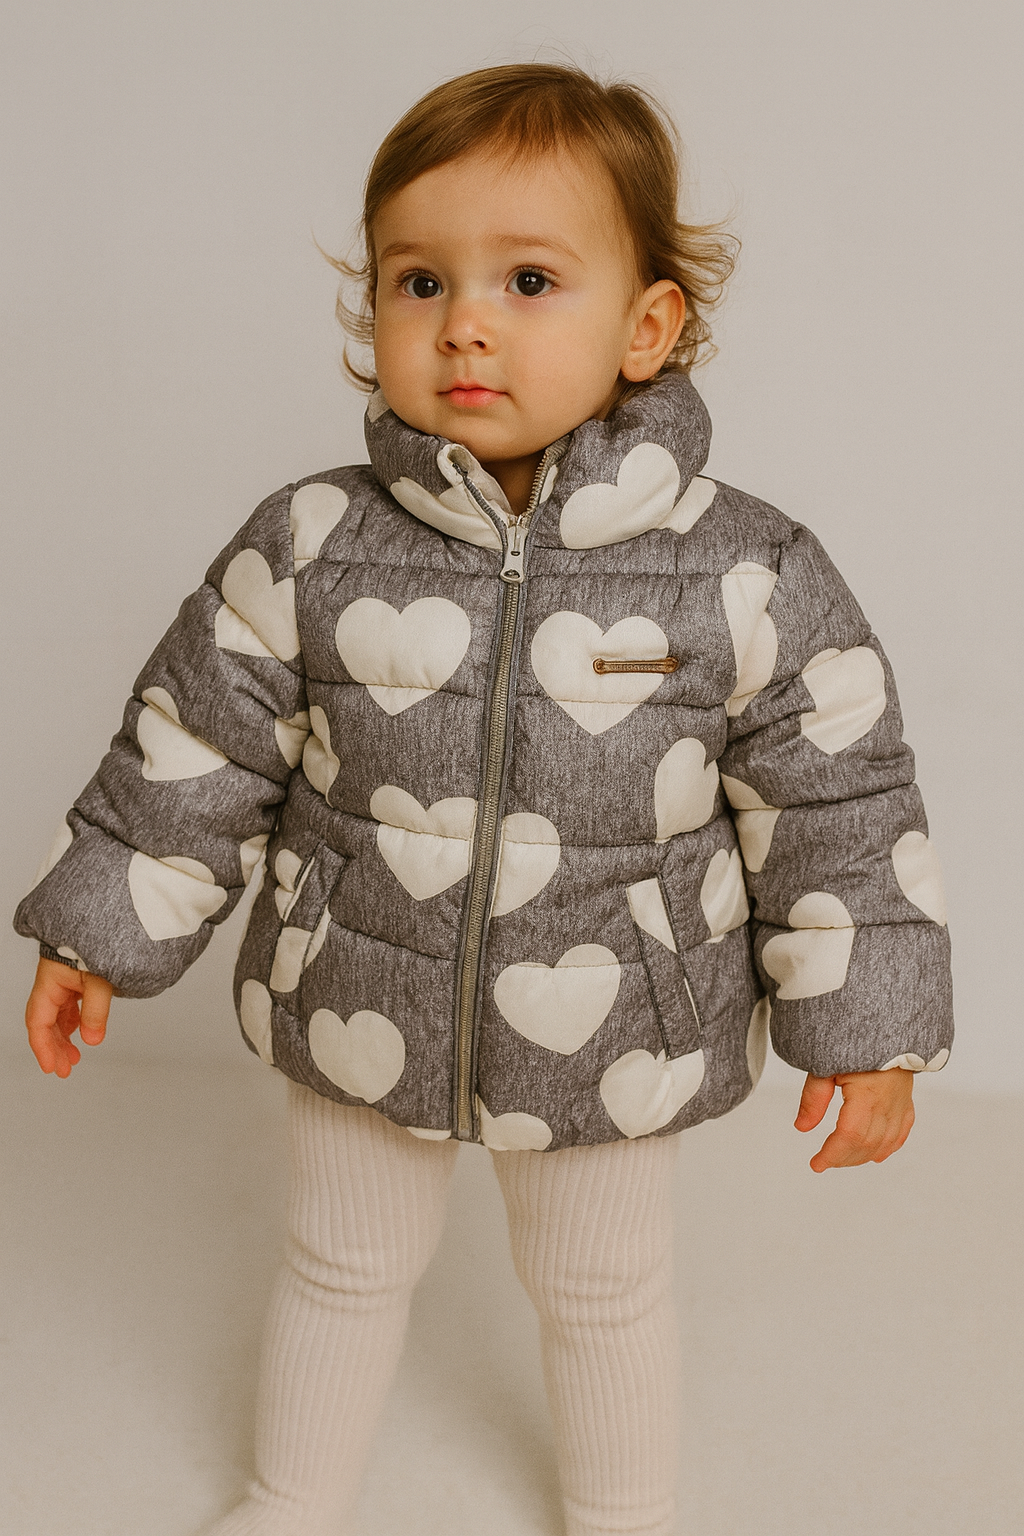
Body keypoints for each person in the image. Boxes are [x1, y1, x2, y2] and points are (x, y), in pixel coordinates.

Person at [15, 63, 953, 1536]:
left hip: (617, 1019)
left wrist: (869, 1028)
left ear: (647, 326)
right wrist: (97, 932)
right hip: (358, 985)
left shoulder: (748, 569)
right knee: (337, 1264)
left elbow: (838, 805)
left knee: (604, 1288)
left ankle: (624, 1516)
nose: (464, 321)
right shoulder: (311, 543)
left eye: (527, 280)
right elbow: (192, 753)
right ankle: (289, 1500)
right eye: (419, 280)